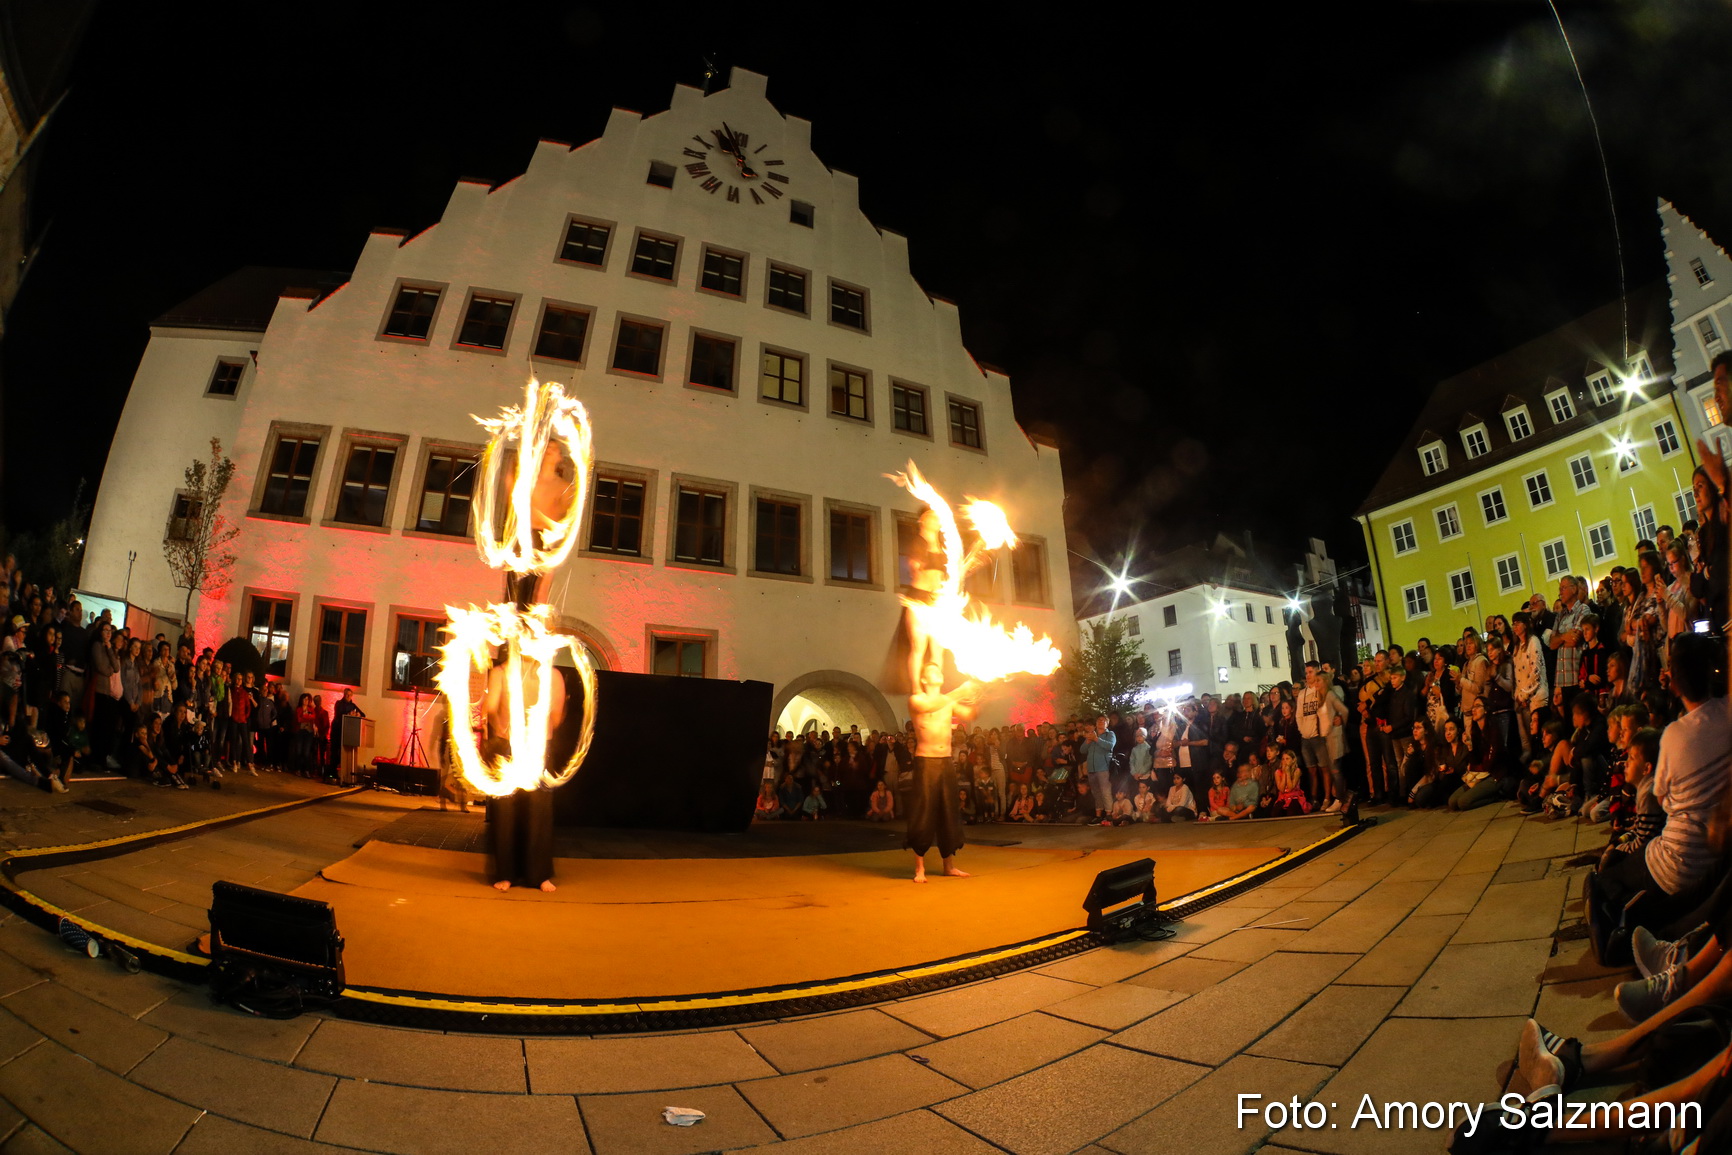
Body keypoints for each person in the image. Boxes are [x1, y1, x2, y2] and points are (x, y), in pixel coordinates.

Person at [906, 663, 978, 883]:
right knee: (924, 812)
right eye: (931, 671)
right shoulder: (917, 699)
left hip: (946, 760)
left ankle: (949, 865)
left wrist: (977, 694)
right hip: (926, 762)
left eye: (939, 670)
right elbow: (935, 704)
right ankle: (920, 868)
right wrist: (961, 691)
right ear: (924, 680)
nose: (937, 672)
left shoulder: (949, 701)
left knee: (948, 812)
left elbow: (969, 713)